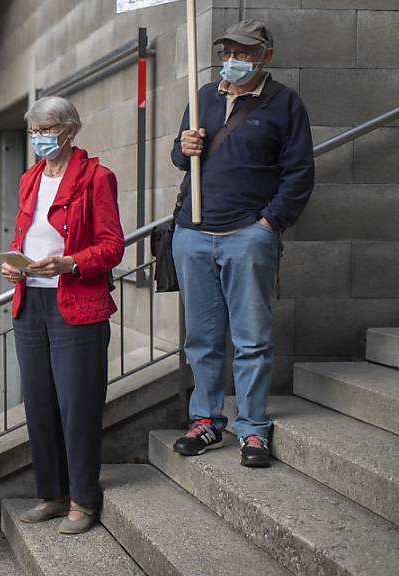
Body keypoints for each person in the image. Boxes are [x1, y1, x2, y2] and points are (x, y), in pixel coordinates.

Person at [170, 20, 314, 468]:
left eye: (243, 52)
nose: (232, 60)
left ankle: (252, 428)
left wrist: (269, 224)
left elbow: (299, 173)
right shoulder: (204, 98)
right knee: (202, 337)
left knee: (251, 339)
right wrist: (185, 146)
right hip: (193, 233)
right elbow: (179, 158)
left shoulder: (285, 103)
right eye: (227, 51)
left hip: (247, 237)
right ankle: (206, 421)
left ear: (265, 56)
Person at [1, 96, 124, 534]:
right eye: (34, 130)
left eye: (48, 128)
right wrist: (15, 263)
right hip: (29, 299)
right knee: (39, 403)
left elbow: (112, 246)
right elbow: (29, 235)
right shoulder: (30, 177)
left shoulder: (96, 178)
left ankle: (83, 499)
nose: (39, 137)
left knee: (78, 405)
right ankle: (51, 493)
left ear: (70, 130)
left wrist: (71, 263)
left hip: (76, 303)